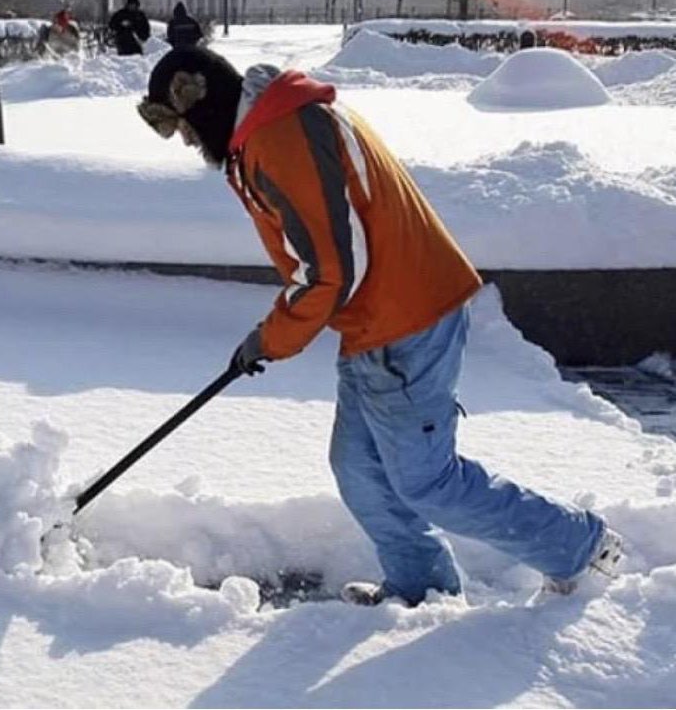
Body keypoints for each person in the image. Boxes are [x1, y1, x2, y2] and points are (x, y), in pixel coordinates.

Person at [136, 47, 623, 607]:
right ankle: (422, 588)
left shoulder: (283, 136)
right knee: (360, 470)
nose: (187, 142)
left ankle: (580, 551)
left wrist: (271, 339)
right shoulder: (274, 125)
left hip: (407, 319)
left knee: (428, 482)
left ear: (202, 99)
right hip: (377, 321)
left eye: (183, 128)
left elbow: (329, 270)